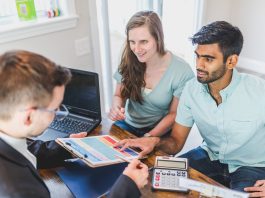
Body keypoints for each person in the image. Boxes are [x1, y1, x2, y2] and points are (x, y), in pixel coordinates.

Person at [116, 21, 265, 192]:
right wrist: (154, 141)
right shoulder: (191, 89)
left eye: (208, 59)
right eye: (198, 56)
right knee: (151, 182)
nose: (199, 65)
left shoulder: (260, 92)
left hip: (253, 166)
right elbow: (176, 142)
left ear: (231, 61)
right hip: (209, 156)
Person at [0, 50, 148, 198]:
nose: (58, 114)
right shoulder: (18, 191)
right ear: (28, 117)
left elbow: (29, 151)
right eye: (55, 109)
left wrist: (68, 146)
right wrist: (128, 186)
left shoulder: (8, 130)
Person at [108, 11, 194, 137]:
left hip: (159, 131)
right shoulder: (129, 59)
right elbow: (118, 95)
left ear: (158, 39)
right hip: (126, 123)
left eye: (144, 42)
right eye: (132, 42)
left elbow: (174, 113)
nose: (136, 49)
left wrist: (148, 137)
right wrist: (116, 108)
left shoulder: (182, 71)